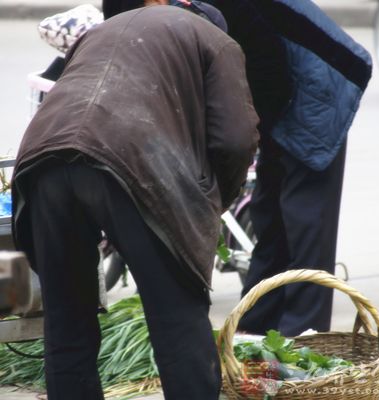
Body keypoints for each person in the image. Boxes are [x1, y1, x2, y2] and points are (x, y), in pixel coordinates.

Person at [11, 2, 259, 399]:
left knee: (67, 319)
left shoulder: (103, 30)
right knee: (177, 317)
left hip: (42, 160)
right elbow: (234, 139)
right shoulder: (218, 42)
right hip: (126, 158)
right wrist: (214, 201)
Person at [201, 0, 372, 336]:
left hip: (318, 85)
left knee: (304, 220)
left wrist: (249, 138)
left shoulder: (218, 7)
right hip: (282, 88)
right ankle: (254, 328)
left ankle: (303, 339)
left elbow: (270, 71)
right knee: (269, 216)